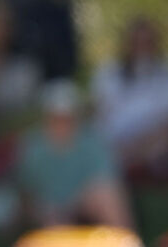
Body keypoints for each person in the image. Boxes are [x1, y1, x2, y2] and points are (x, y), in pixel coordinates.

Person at [15, 80, 134, 230]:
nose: (62, 122)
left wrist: (74, 206)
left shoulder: (93, 141)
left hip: (82, 208)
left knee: (106, 196)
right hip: (47, 212)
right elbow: (25, 192)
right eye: (56, 116)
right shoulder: (32, 146)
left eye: (67, 115)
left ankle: (126, 245)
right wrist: (44, 210)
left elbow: (106, 181)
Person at [91, 16, 168, 181]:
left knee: (166, 140)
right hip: (114, 139)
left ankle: (122, 166)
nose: (142, 48)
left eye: (147, 42)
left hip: (152, 138)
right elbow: (100, 111)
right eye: (136, 42)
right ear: (127, 44)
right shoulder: (109, 71)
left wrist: (136, 145)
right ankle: (126, 166)